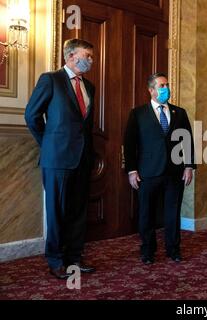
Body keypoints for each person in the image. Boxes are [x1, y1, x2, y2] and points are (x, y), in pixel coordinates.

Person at [25, 39, 96, 279]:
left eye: (91, 56)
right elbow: (32, 115)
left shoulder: (90, 86)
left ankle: (74, 258)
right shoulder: (50, 79)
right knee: (57, 211)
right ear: (71, 56)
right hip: (56, 159)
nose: (90, 60)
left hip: (82, 159)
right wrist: (48, 144)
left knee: (77, 211)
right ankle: (55, 260)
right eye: (87, 55)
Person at [124, 73, 195, 265]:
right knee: (146, 213)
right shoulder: (137, 113)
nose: (166, 89)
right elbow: (129, 144)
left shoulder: (179, 113)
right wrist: (131, 170)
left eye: (167, 85)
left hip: (175, 172)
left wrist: (189, 166)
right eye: (162, 86)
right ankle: (148, 250)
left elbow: (187, 141)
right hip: (147, 172)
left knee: (173, 213)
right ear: (151, 90)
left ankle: (173, 249)